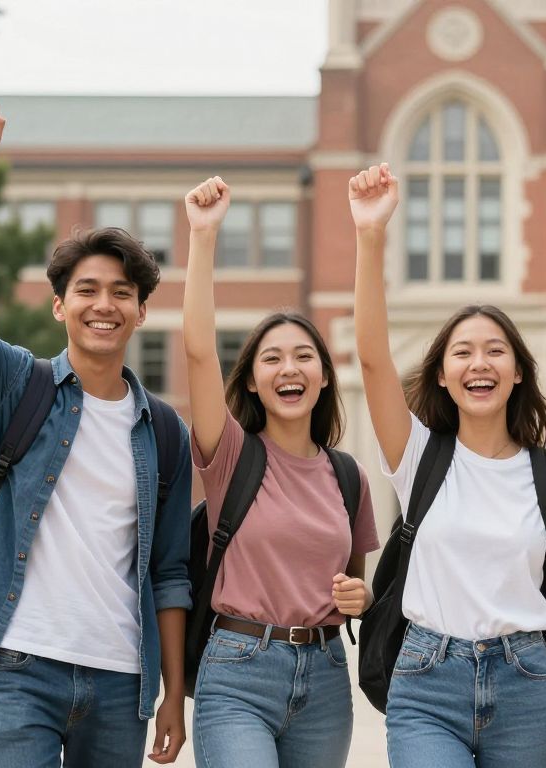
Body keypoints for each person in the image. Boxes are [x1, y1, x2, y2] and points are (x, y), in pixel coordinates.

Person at [0, 100, 191, 766]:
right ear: (59, 305)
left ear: (140, 311)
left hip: (119, 680)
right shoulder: (15, 387)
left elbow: (169, 573)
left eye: (121, 292)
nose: (104, 304)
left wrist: (172, 693)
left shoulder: (164, 432)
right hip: (19, 666)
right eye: (86, 290)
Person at [350, 163, 546, 768]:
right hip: (427, 683)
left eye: (495, 351)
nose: (479, 363)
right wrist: (371, 234)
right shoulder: (418, 455)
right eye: (462, 352)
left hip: (527, 686)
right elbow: (374, 359)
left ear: (517, 373)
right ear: (442, 374)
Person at [182, 176, 379, 768]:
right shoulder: (231, 455)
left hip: (325, 678)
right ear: (251, 380)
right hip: (238, 671)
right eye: (271, 359)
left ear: (324, 376)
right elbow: (198, 351)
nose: (288, 368)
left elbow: (352, 585)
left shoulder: (349, 477)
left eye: (303, 356)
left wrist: (361, 596)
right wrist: (203, 237)